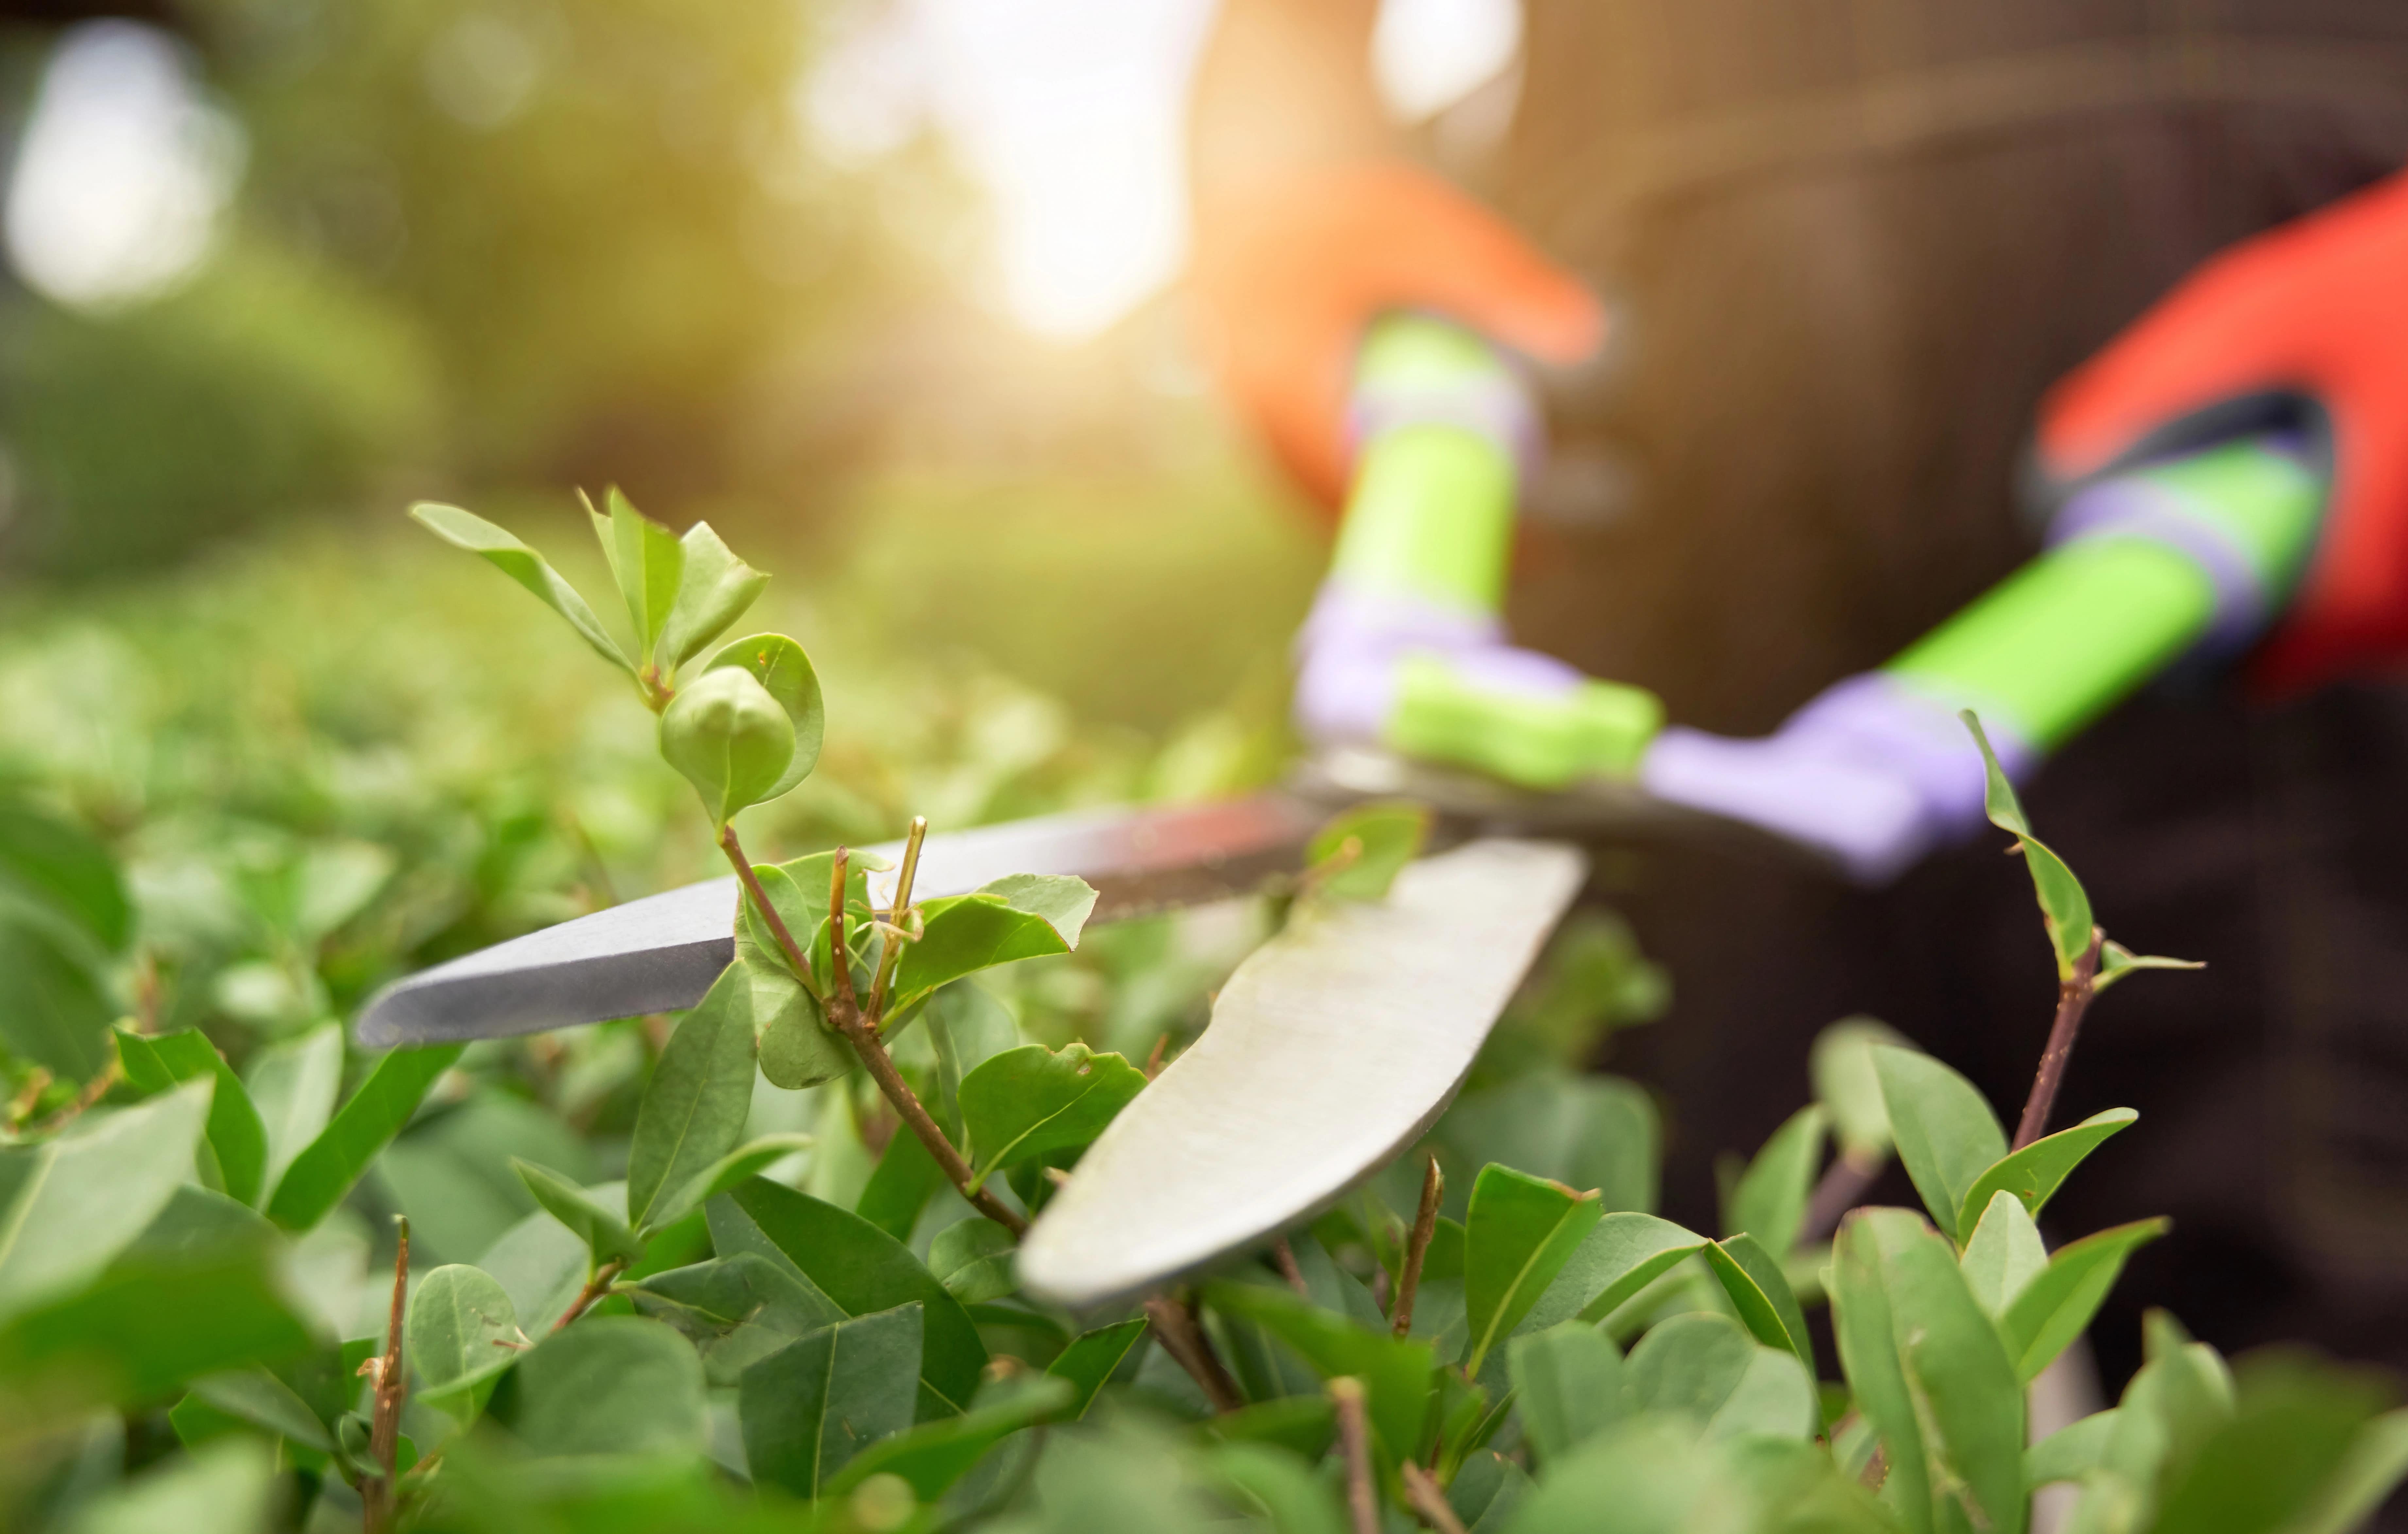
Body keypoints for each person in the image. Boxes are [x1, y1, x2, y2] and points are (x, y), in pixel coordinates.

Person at [1187, 0, 2408, 1404]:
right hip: (1664, 392)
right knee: (1642, 1372)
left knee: (2337, 1415)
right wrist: (1288, 168)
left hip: (2285, 293)